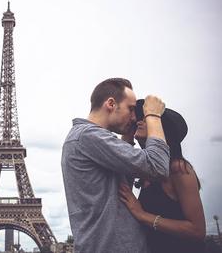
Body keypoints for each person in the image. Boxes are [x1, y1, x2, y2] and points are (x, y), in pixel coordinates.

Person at [61, 78, 170, 253]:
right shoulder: (89, 136)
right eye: (131, 109)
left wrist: (127, 138)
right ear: (111, 104)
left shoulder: (85, 138)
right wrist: (153, 115)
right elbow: (158, 166)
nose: (134, 117)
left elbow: (119, 186)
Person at [119, 99, 206, 253]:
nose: (140, 121)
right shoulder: (147, 172)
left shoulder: (178, 170)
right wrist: (127, 133)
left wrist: (142, 215)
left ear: (161, 129)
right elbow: (120, 171)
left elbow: (197, 230)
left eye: (147, 119)